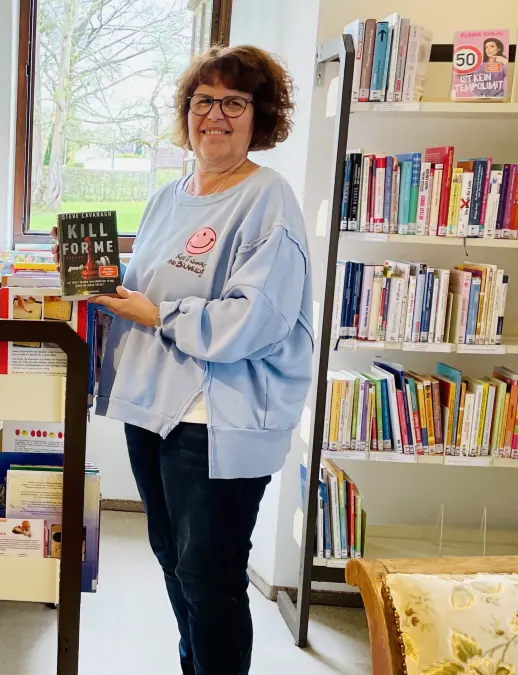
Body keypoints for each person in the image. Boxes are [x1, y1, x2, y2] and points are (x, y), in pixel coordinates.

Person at [56, 45, 311, 675]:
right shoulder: (169, 196)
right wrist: (99, 297)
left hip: (218, 414)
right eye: (204, 101)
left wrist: (156, 314)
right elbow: (143, 287)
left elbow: (253, 320)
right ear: (187, 111)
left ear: (261, 115)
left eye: (234, 102)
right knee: (172, 556)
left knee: (210, 572)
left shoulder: (267, 200)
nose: (215, 116)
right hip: (154, 406)